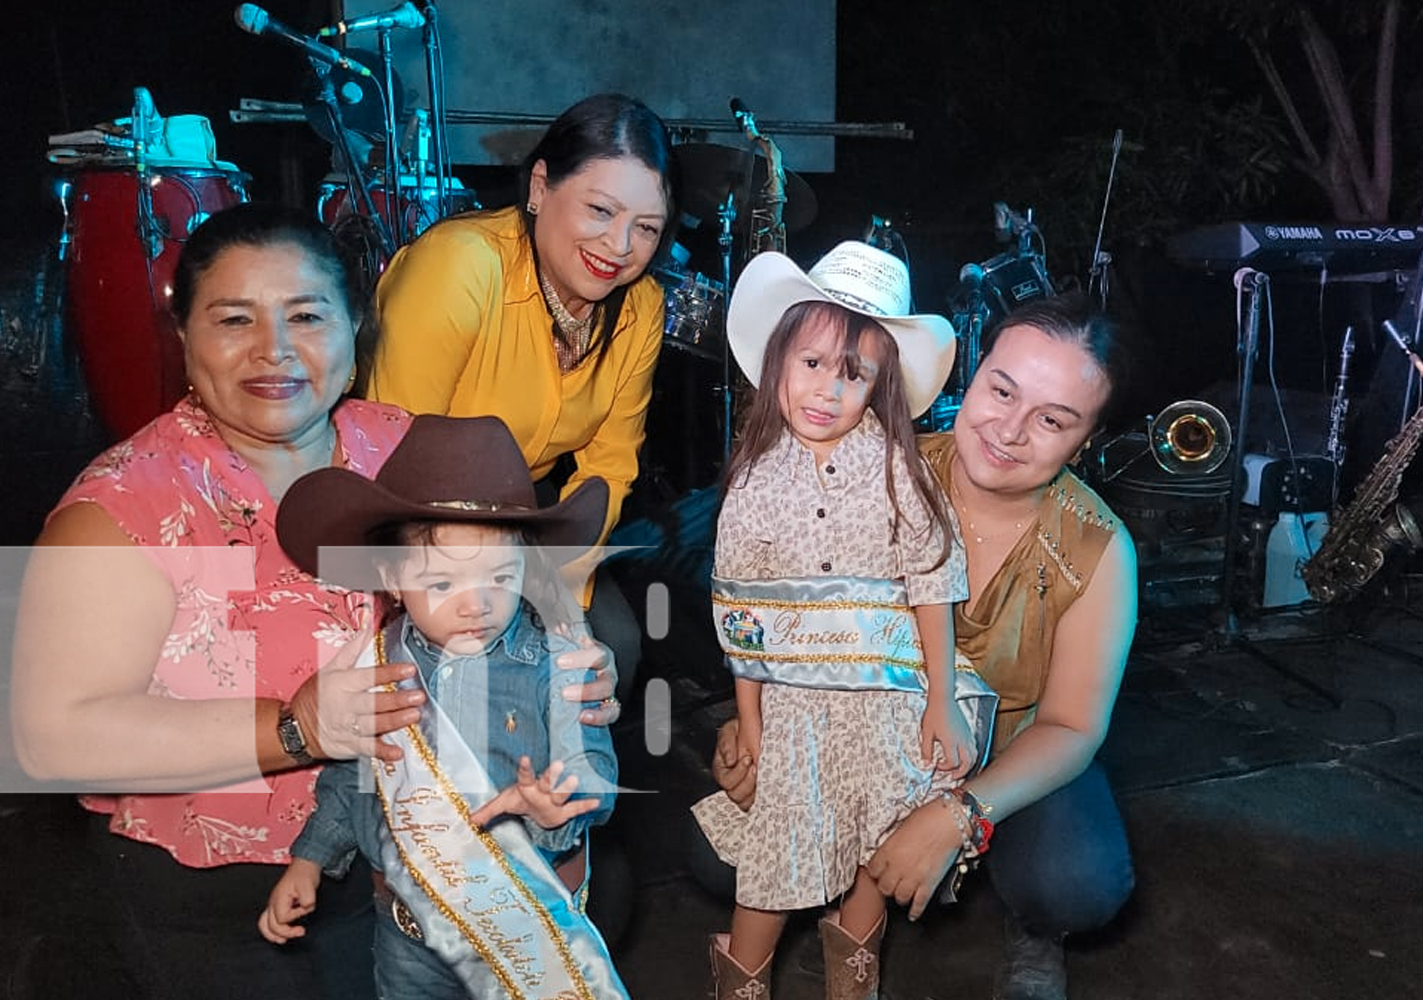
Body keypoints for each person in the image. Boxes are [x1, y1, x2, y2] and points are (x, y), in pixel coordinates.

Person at [9, 202, 618, 1000]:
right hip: (229, 901)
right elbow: (54, 737)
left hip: (423, 876)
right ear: (184, 335)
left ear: (354, 328)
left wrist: (567, 663)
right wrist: (298, 729)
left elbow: (521, 579)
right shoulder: (124, 509)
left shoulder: (401, 447)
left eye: (305, 315)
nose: (274, 349)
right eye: (234, 319)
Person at [707, 291, 1139, 1000]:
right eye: (1001, 391)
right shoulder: (875, 462)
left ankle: (1031, 928)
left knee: (1074, 877)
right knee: (721, 856)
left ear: (1083, 442)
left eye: (1053, 420)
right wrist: (753, 722)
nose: (1010, 429)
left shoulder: (1098, 546)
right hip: (853, 730)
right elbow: (771, 602)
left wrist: (957, 812)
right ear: (972, 377)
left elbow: (1072, 726)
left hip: (1002, 753)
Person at [689, 241, 1000, 1000]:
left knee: (873, 844)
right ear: (777, 364)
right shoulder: (754, 482)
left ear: (878, 387)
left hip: (888, 703)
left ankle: (853, 976)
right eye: (813, 363)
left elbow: (932, 580)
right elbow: (744, 619)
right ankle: (742, 978)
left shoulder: (898, 468)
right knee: (775, 853)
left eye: (853, 373)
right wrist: (751, 723)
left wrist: (937, 699)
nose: (829, 389)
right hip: (794, 708)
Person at [259, 413, 625, 999]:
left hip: (525, 925)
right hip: (410, 935)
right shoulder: (375, 666)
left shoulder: (557, 667)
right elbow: (354, 771)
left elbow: (597, 773)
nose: (475, 604)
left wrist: (558, 810)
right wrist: (310, 858)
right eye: (441, 584)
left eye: (499, 578)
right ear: (392, 579)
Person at [365, 92, 679, 701]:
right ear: (540, 187)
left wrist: (557, 585)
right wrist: (469, 576)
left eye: (645, 228)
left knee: (608, 642)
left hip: (529, 514)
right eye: (600, 210)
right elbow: (388, 448)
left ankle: (550, 795)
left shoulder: (642, 309)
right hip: (416, 514)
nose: (619, 246)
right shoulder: (460, 265)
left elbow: (609, 466)